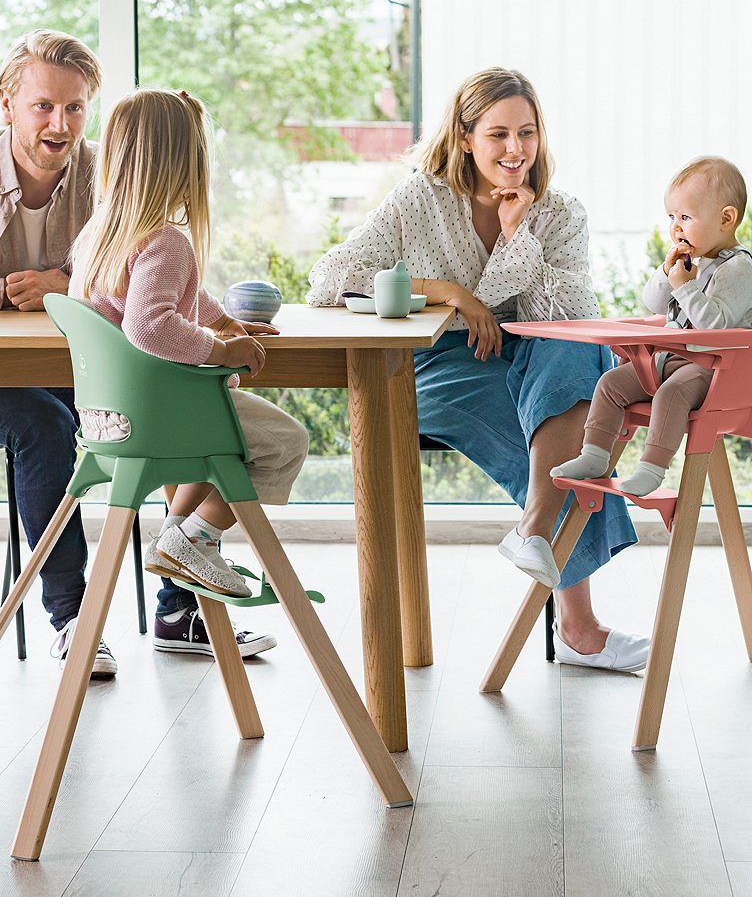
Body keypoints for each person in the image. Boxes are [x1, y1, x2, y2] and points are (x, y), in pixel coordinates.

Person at [0, 30, 279, 676]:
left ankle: (178, 608)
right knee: (43, 426)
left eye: (76, 108)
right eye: (44, 107)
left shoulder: (103, 173)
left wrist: (214, 316)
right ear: (6, 104)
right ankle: (73, 619)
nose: (61, 124)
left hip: (83, 375)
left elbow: (150, 274)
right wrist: (3, 290)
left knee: (170, 406)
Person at [308, 66, 649, 673]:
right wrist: (451, 294)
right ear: (466, 137)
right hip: (443, 362)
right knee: (566, 431)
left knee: (575, 356)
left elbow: (570, 316)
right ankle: (578, 627)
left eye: (527, 133)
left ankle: (537, 526)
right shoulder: (421, 198)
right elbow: (330, 278)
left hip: (537, 357)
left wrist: (519, 235)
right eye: (498, 135)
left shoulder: (561, 213)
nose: (515, 150)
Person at [68, 87, 309, 602]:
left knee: (238, 436)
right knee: (285, 443)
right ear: (184, 167)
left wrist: (221, 322)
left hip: (108, 420)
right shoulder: (166, 241)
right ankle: (193, 535)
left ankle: (178, 537)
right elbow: (150, 325)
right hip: (164, 419)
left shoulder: (98, 236)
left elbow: (175, 296)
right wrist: (222, 352)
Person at [553, 156, 752, 499]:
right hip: (671, 360)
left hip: (716, 369)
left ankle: (652, 467)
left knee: (671, 394)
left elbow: (714, 325)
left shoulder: (739, 268)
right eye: (672, 217)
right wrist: (667, 273)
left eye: (686, 217)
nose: (676, 227)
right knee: (612, 383)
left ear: (726, 218)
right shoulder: (693, 263)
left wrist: (686, 287)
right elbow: (655, 304)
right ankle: (594, 454)